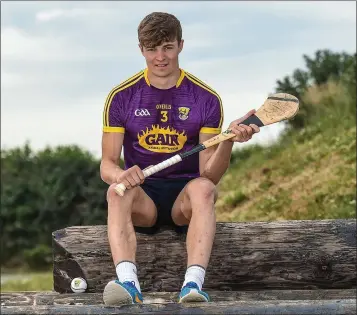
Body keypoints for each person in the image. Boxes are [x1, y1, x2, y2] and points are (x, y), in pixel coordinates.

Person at [100, 12, 260, 306]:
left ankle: (192, 286)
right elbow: (107, 165)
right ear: (141, 50)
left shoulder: (205, 98)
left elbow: (208, 175)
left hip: (183, 202)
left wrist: (227, 141)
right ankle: (128, 283)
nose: (160, 57)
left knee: (204, 189)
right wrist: (121, 175)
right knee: (115, 191)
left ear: (180, 45)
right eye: (152, 49)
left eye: (167, 47)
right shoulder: (121, 97)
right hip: (143, 198)